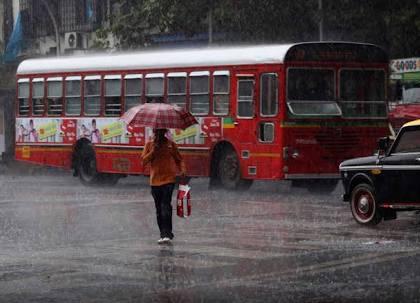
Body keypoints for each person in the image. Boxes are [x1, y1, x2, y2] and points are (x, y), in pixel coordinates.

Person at [142, 128, 186, 244]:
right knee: (158, 209)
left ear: (164, 133)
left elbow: (179, 159)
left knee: (165, 206)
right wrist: (153, 152)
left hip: (168, 180)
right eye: (157, 133)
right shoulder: (149, 145)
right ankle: (163, 233)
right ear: (154, 133)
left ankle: (167, 233)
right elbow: (143, 161)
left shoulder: (171, 145)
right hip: (155, 182)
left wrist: (182, 171)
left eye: (162, 133)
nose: (159, 136)